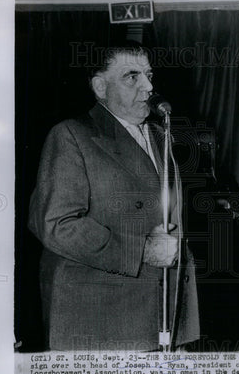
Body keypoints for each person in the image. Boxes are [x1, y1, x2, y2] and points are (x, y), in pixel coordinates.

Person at [28, 45, 199, 351]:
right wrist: (141, 250)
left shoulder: (161, 137)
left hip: (162, 319)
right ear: (100, 86)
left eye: (148, 75)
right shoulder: (71, 135)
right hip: (102, 323)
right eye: (131, 77)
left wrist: (179, 328)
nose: (148, 87)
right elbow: (55, 224)